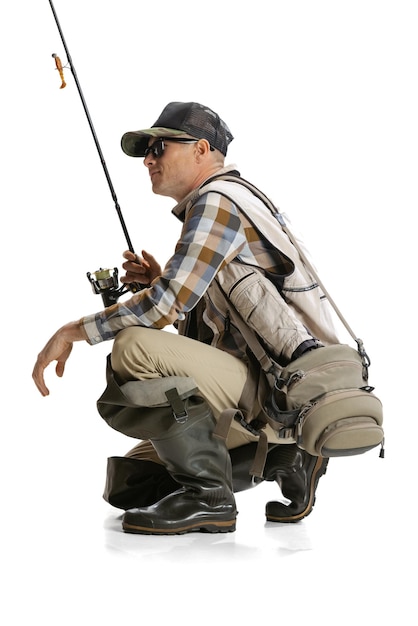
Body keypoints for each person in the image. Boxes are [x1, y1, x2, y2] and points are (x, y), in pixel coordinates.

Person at [33, 101, 337, 535]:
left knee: (132, 347)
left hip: (280, 389)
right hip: (274, 386)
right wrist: (159, 283)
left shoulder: (217, 201)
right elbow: (211, 329)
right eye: (147, 150)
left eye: (160, 146)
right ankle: (284, 459)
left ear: (200, 149)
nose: (148, 159)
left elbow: (163, 306)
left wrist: (73, 331)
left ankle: (210, 499)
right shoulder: (232, 200)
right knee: (133, 482)